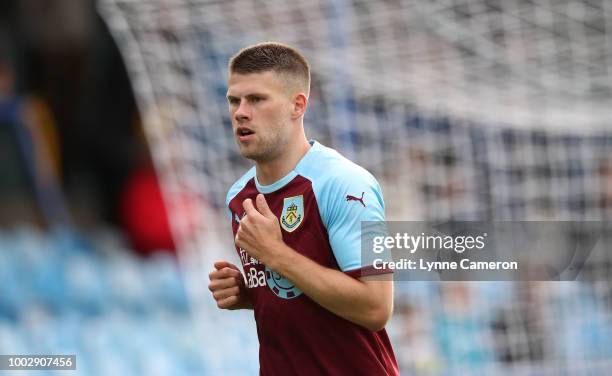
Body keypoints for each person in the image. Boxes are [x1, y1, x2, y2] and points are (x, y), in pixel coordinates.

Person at [208, 42, 398, 375]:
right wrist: (251, 293)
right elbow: (297, 292)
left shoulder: (349, 185)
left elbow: (376, 307)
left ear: (298, 105)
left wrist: (275, 255)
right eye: (234, 100)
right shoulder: (239, 196)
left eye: (256, 99)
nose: (240, 112)